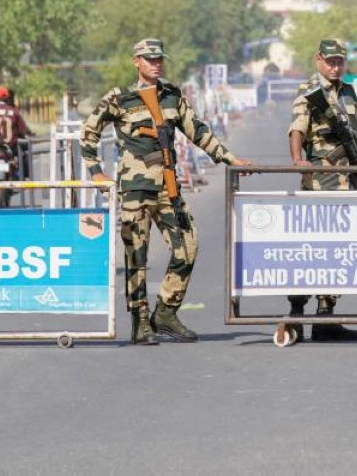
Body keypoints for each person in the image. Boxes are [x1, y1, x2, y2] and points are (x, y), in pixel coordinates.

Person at [81, 38, 250, 345]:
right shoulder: (120, 98)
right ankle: (141, 321)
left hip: (168, 189)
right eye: (149, 59)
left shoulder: (171, 96)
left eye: (159, 59)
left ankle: (166, 312)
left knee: (188, 245)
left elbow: (196, 130)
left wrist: (229, 158)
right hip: (135, 190)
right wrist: (96, 172)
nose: (156, 64)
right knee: (137, 255)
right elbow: (88, 132)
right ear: (136, 61)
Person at [286, 38, 357, 342]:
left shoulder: (348, 92)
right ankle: (295, 311)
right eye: (330, 61)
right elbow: (296, 128)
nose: (335, 67)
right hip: (319, 181)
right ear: (318, 59)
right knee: (310, 247)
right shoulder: (309, 91)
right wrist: (297, 160)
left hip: (346, 179)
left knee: (340, 249)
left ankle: (326, 316)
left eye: (339, 62)